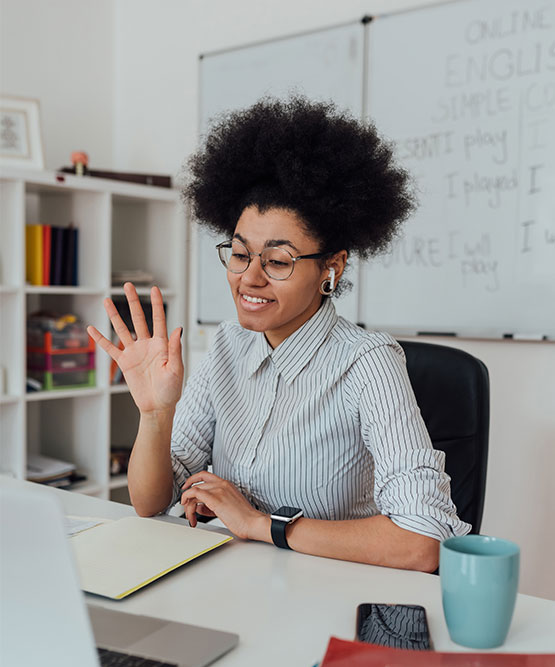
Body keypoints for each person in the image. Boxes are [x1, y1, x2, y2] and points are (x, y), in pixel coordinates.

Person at [88, 97, 470, 573]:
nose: (249, 278)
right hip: (232, 585)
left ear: (331, 267)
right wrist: (155, 414)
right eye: (240, 253)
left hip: (327, 600)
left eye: (278, 260)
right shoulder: (228, 345)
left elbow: (421, 542)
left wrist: (259, 523)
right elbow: (151, 503)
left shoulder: (367, 361)